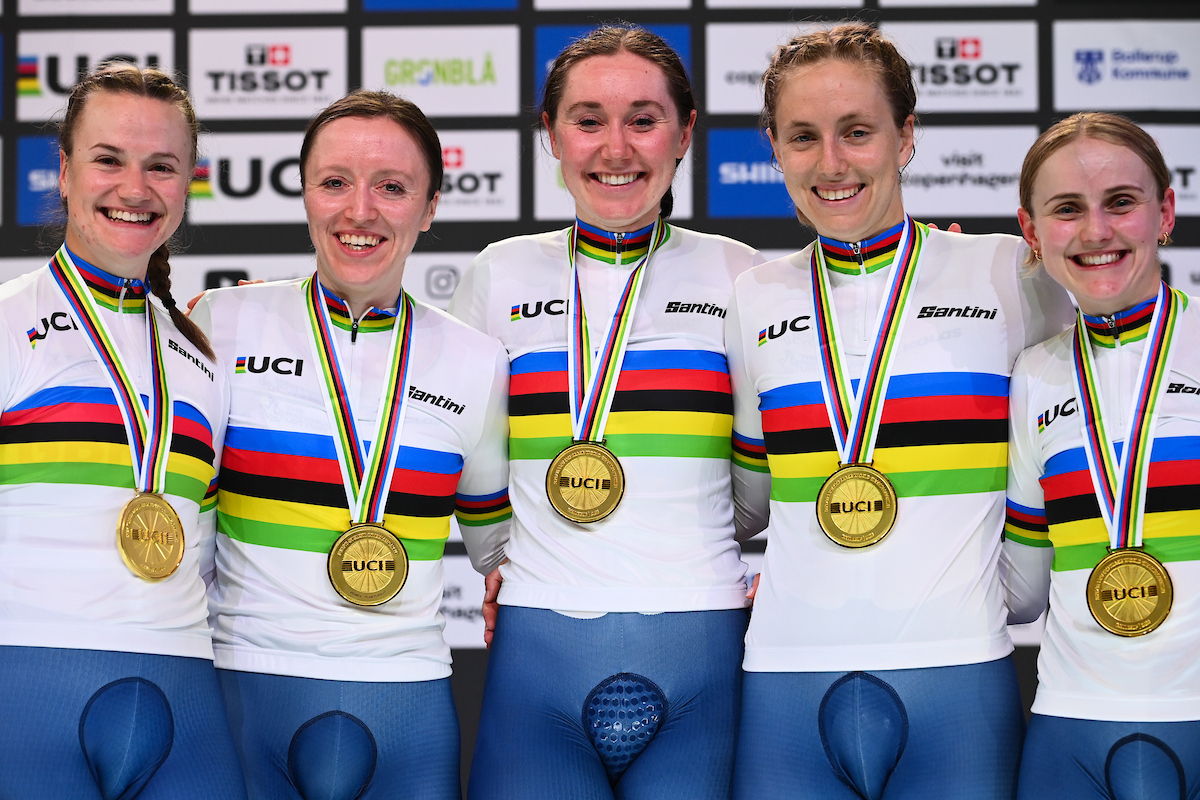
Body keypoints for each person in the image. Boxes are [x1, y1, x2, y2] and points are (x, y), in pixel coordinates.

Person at [724, 24, 1075, 798]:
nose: (832, 163)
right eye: (803, 138)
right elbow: (747, 501)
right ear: (775, 150)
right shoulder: (752, 296)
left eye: (858, 132)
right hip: (786, 671)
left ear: (906, 135)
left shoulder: (1009, 274)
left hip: (960, 676)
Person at [448, 24, 763, 799]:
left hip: (703, 642)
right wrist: (501, 564)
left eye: (644, 119)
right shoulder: (501, 271)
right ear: (550, 133)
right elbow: (470, 456)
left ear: (686, 132)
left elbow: (758, 488)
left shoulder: (740, 272)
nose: (615, 148)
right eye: (588, 120)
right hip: (536, 649)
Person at [189, 90, 510, 800]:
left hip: (409, 705)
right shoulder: (221, 320)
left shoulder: (477, 361)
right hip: (245, 690)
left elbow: (503, 555)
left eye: (391, 188)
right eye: (334, 182)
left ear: (428, 209)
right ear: (303, 193)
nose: (359, 212)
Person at [0, 64, 247, 798]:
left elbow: (209, 546)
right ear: (66, 171)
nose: (134, 189)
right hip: (27, 689)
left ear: (187, 183)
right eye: (108, 159)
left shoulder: (200, 353)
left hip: (185, 697)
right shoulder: (7, 321)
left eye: (160, 167)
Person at [1005, 112, 1199, 799]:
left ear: (1165, 211)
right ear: (1032, 233)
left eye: (1121, 201)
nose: (1095, 231)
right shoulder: (1034, 375)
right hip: (1070, 730)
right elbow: (1021, 591)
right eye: (1066, 210)